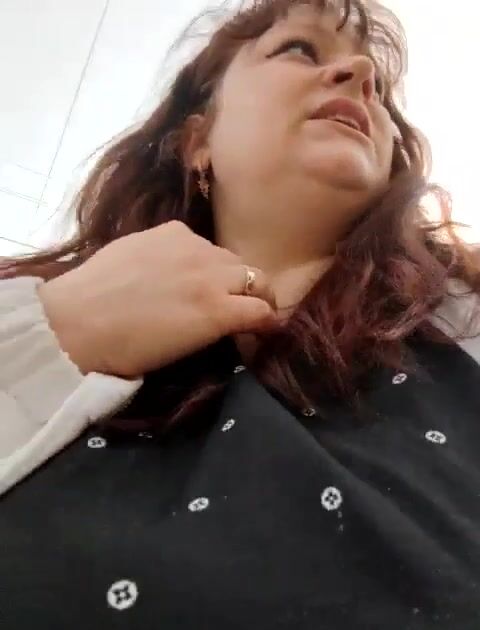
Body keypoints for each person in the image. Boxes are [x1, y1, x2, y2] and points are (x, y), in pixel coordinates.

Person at [1, 0, 480, 627]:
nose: (363, 75)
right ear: (197, 141)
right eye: (300, 49)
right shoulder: (28, 307)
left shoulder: (464, 312)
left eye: (383, 93)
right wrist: (48, 341)